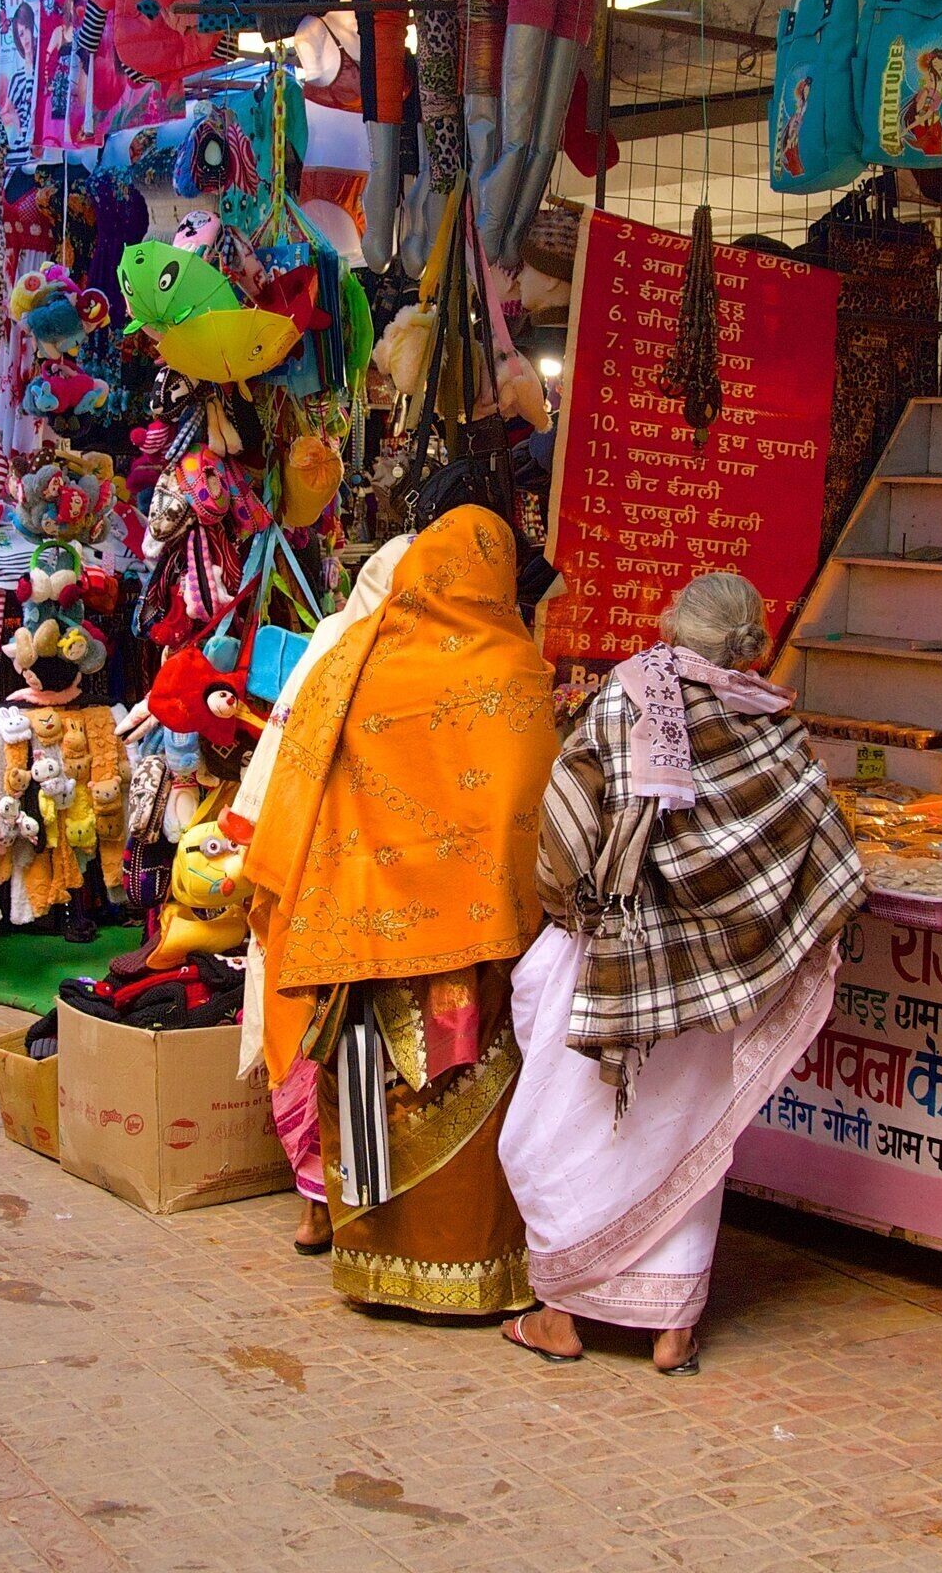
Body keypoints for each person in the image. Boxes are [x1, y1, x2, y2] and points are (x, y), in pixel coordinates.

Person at [500, 572, 860, 1376]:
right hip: (717, 976)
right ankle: (672, 1332)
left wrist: (571, 904)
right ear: (751, 640)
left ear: (673, 624)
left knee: (567, 1129)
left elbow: (569, 820)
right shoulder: (773, 722)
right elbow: (815, 833)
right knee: (682, 1136)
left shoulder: (623, 701)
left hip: (619, 962)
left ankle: (561, 1316)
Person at [236, 505, 555, 1320]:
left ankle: (376, 1271)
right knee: (472, 1098)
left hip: (360, 932)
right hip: (474, 942)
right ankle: (472, 1272)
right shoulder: (514, 668)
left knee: (369, 1093)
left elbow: (300, 784)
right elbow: (525, 811)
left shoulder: (352, 657)